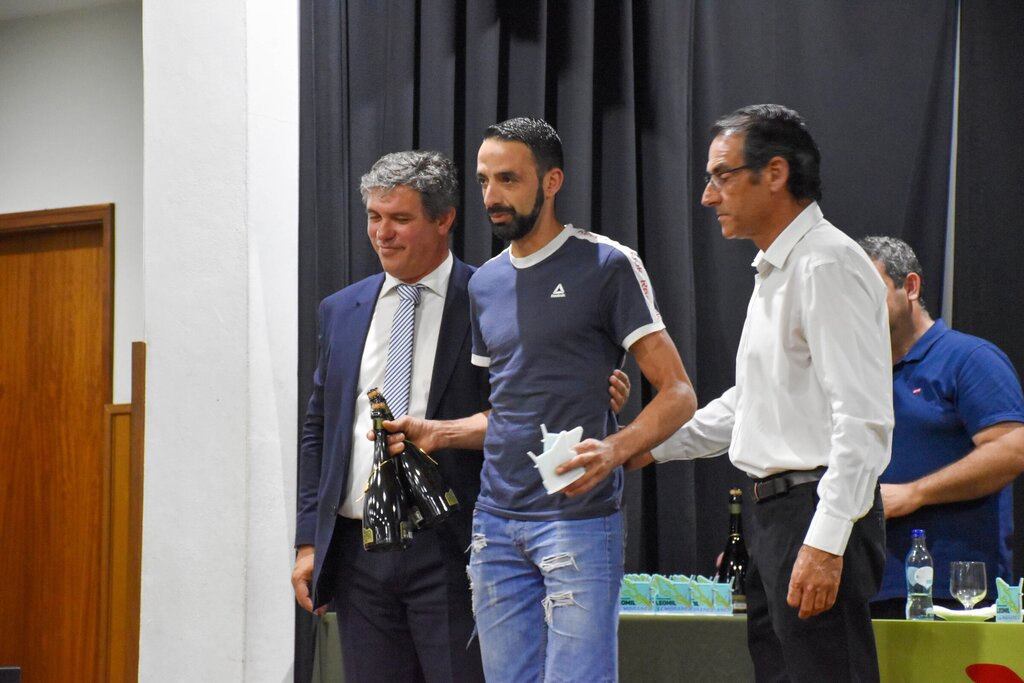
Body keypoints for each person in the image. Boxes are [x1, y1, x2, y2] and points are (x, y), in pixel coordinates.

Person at [292, 150, 630, 683]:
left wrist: (587, 393)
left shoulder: (493, 295)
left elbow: (529, 411)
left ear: (444, 219)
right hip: (359, 553)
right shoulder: (340, 310)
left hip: (454, 548)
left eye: (400, 218)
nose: (382, 233)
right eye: (374, 217)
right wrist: (309, 540)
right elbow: (319, 430)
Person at [388, 117, 697, 682]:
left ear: (552, 182)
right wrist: (441, 432)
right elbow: (509, 412)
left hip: (578, 521)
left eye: (508, 179)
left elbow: (678, 393)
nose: (492, 196)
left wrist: (614, 449)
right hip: (495, 525)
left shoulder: (606, 264)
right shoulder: (485, 284)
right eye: (484, 181)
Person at [630, 104, 893, 682]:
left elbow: (864, 421)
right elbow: (749, 404)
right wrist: (644, 446)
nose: (707, 196)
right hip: (774, 516)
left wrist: (825, 543)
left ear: (775, 173)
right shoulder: (778, 268)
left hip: (814, 513)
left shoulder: (826, 263)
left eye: (721, 175)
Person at [857, 236, 1024, 618]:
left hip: (955, 594)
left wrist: (915, 493)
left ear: (910, 287)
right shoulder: (855, 374)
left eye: (868, 290)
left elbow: (1012, 450)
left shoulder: (969, 358)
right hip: (865, 586)